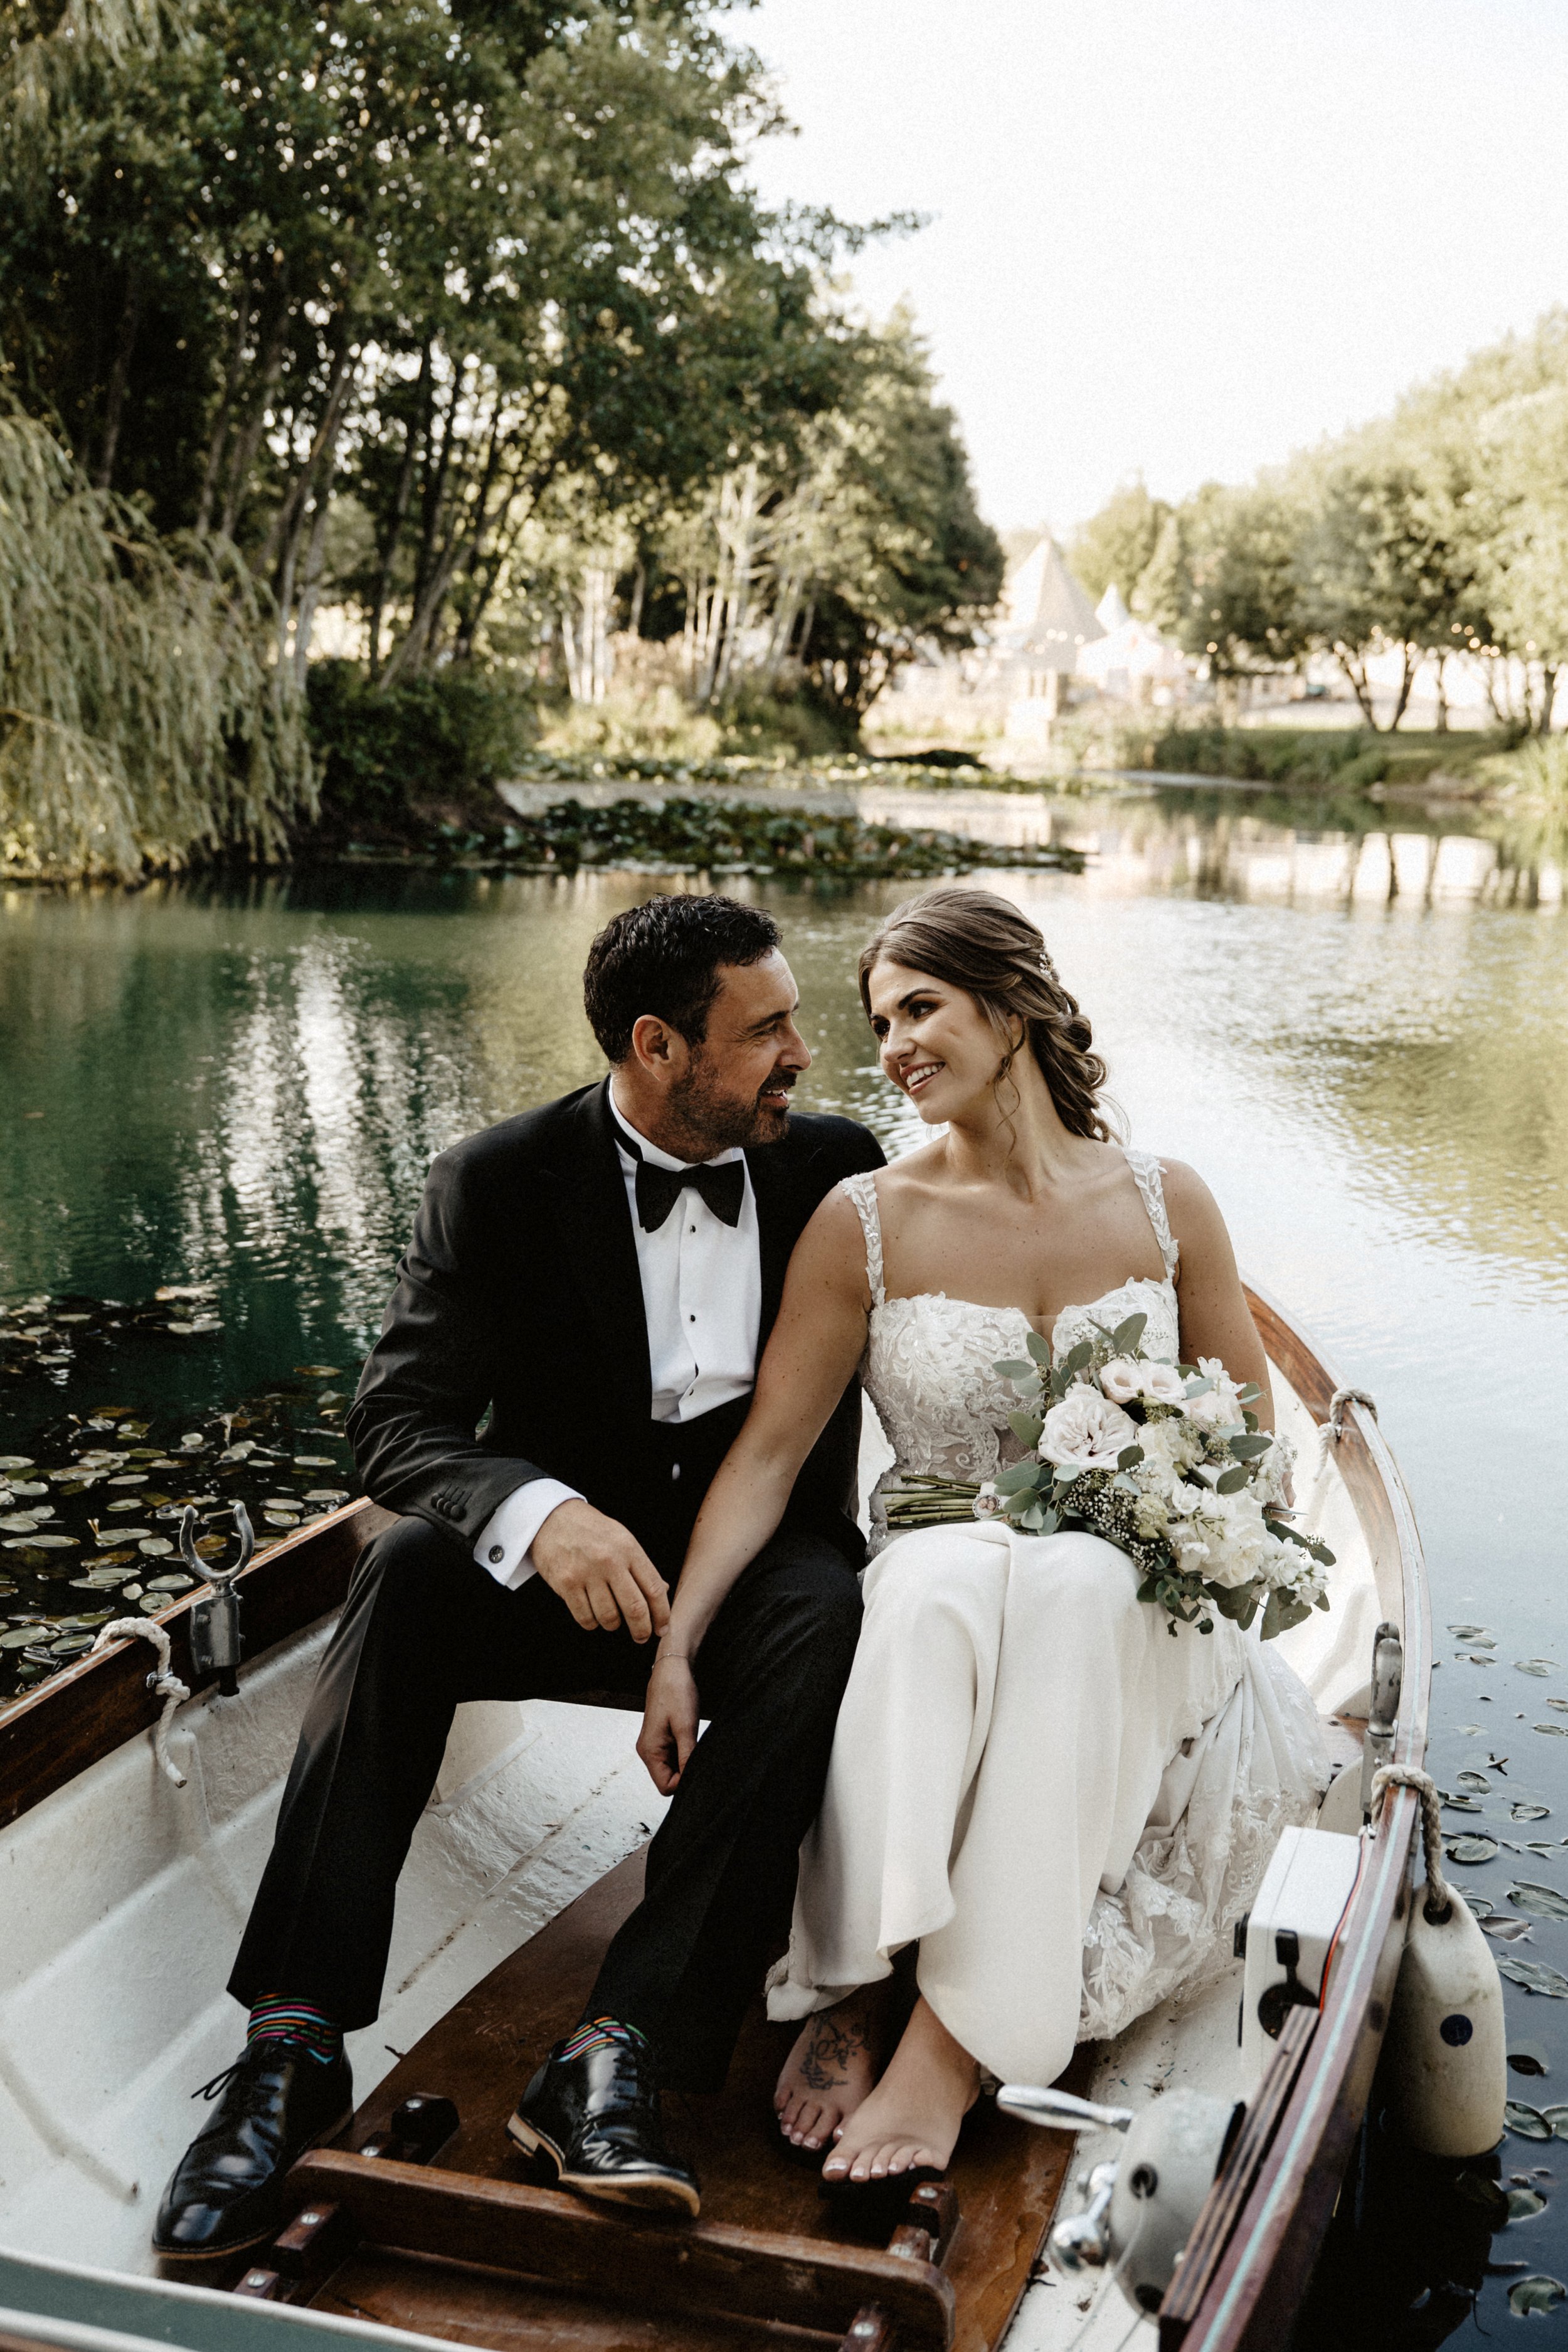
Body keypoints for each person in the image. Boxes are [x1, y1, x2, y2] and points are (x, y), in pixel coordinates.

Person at [152, 894, 884, 2258]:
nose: (801, 1054)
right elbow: (395, 1424)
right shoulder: (494, 1178)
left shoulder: (835, 1169)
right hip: (566, 1588)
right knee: (405, 1575)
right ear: (658, 1046)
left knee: (826, 1610)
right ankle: (291, 2046)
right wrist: (539, 1514)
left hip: (752, 1592)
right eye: (767, 1029)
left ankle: (618, 2046)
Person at [638, 883, 1328, 2188]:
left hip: (1130, 1581)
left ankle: (951, 2046)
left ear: (1011, 1008)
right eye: (879, 1023)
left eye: (921, 1008)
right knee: (930, 1593)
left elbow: (1249, 1439)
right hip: (941, 1544)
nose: (894, 1046)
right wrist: (679, 1645)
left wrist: (1178, 1511)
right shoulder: (865, 1220)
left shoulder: (1167, 1201)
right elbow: (768, 1457)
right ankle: (865, 1970)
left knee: (1074, 1584)